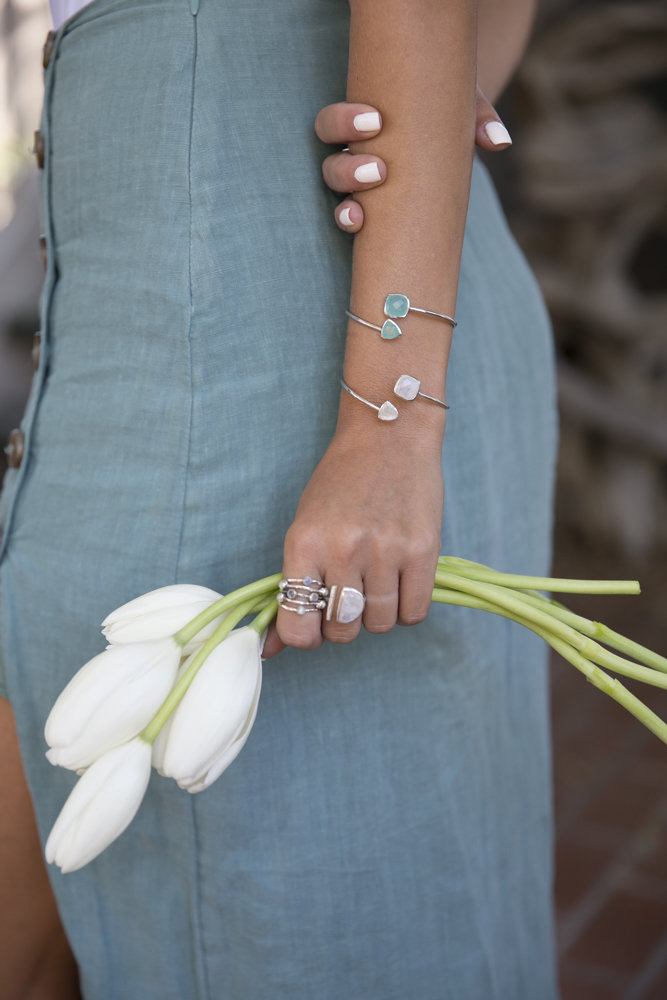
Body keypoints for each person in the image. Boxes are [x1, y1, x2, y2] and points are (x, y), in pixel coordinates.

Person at [0, 1, 557, 997]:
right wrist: (444, 96)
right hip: (345, 329)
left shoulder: (368, 421)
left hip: (298, 396)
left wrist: (389, 424)